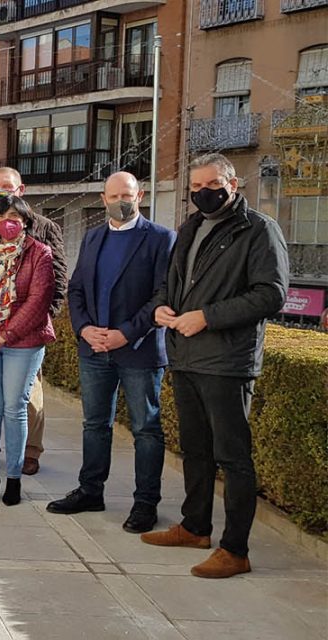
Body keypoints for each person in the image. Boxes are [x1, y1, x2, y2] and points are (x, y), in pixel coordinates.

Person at [141, 153, 289, 579]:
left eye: (211, 185)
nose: (203, 193)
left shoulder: (259, 229)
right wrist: (161, 309)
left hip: (226, 361)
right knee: (195, 451)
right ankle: (195, 527)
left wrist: (207, 316)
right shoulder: (189, 228)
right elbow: (167, 286)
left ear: (232, 183)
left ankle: (235, 549)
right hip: (185, 357)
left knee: (233, 457)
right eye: (195, 188)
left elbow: (271, 294)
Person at [47, 172, 175, 534]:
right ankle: (90, 490)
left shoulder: (162, 239)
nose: (121, 200)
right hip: (93, 348)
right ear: (103, 198)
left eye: (128, 194)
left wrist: (125, 334)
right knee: (94, 424)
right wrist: (85, 329)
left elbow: (163, 295)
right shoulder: (93, 237)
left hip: (138, 350)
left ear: (140, 195)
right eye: (114, 195)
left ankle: (145, 503)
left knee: (146, 428)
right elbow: (76, 290)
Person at [0, 167, 66, 474]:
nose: (2, 193)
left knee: (25, 399)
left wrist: (43, 317)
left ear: (21, 189)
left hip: (27, 332)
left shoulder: (43, 228)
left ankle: (29, 452)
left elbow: (58, 278)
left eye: (8, 187)